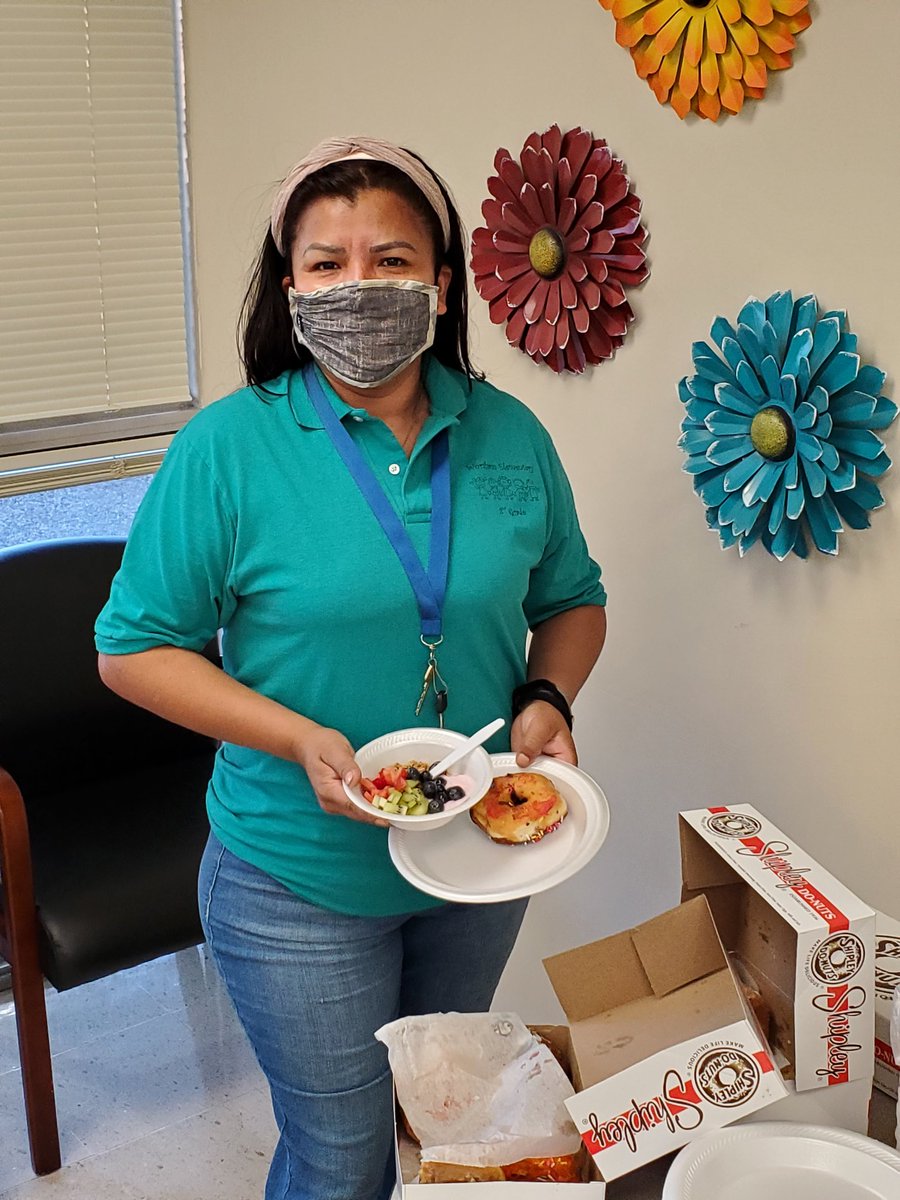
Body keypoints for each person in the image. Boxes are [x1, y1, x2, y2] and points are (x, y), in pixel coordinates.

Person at [95, 135, 607, 1200]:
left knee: (435, 1114)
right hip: (297, 877)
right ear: (291, 287)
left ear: (442, 281)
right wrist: (294, 738)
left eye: (390, 259)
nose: (358, 286)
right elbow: (132, 651)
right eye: (326, 264)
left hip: (474, 864)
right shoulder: (228, 449)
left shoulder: (509, 436)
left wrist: (545, 694)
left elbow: (571, 601)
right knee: (340, 1156)